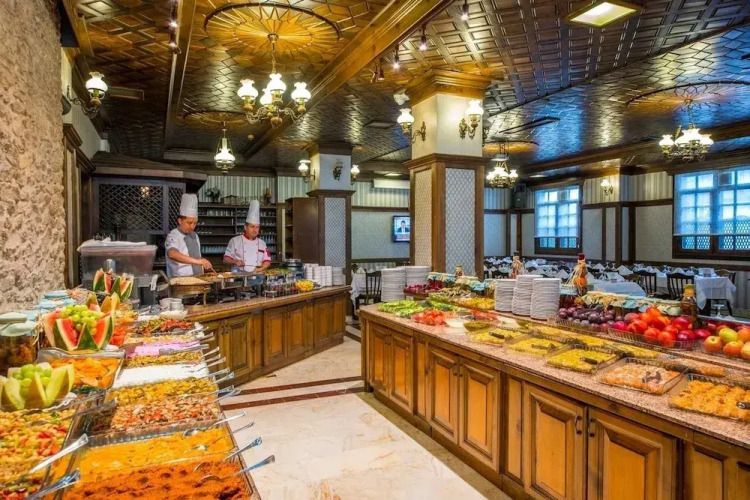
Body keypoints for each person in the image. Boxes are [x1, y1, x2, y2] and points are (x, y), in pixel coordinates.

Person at [165, 193, 213, 278]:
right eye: (189, 223)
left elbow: (194, 255)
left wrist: (203, 261)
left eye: (195, 223)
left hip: (198, 278)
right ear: (180, 221)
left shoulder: (195, 235)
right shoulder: (173, 235)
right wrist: (198, 261)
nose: (192, 227)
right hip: (180, 280)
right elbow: (172, 254)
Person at [223, 200, 271, 273]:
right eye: (252, 226)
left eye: (257, 227)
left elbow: (267, 260)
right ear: (245, 227)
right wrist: (235, 261)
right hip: (239, 276)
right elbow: (226, 259)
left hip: (257, 276)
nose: (255, 230)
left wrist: (261, 268)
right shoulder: (234, 241)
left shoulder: (262, 243)